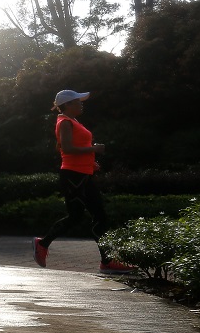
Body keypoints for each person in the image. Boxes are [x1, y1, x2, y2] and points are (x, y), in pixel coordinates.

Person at [32, 90, 136, 273]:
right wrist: (93, 149)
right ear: (67, 105)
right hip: (73, 176)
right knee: (76, 216)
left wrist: (90, 161)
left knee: (100, 216)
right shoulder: (64, 122)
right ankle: (43, 243)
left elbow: (69, 148)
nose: (81, 104)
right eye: (77, 101)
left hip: (83, 174)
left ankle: (107, 261)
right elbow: (67, 148)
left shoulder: (73, 121)